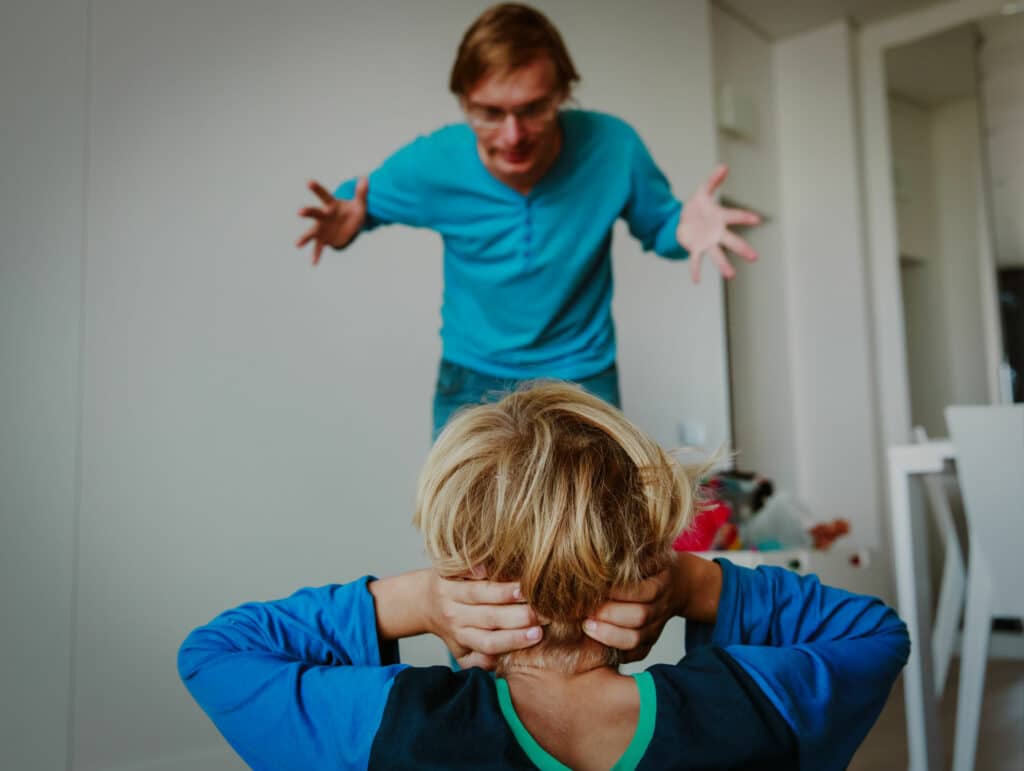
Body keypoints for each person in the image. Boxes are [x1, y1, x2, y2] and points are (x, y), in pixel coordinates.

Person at [179, 382, 909, 770]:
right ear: (641, 550)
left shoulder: (388, 726)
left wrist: (415, 601)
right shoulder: (757, 707)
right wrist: (691, 584)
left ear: (469, 569)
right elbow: (877, 632)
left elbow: (215, 653)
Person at [295, 3, 762, 436]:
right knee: (468, 525)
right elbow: (356, 204)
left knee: (594, 522)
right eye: (490, 114)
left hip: (582, 372)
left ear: (562, 94)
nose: (513, 136)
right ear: (464, 103)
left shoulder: (614, 148)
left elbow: (661, 226)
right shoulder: (435, 161)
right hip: (474, 375)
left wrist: (680, 229)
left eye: (533, 110)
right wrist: (345, 226)